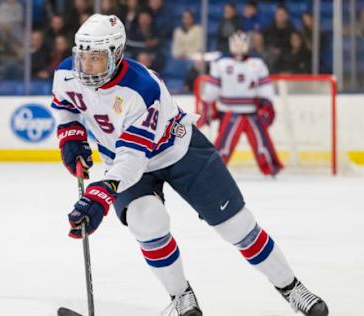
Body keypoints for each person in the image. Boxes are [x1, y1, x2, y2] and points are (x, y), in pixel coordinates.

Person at [50, 14, 329, 316]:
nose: (86, 67)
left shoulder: (143, 89)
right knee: (147, 221)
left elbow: (133, 157)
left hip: (179, 151)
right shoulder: (66, 74)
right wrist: (72, 137)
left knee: (237, 226)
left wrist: (102, 193)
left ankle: (291, 287)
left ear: (116, 55)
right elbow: (66, 108)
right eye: (83, 57)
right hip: (128, 163)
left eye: (96, 59)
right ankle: (181, 296)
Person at [202, 31, 284, 176]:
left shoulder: (257, 64)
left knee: (262, 143)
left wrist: (266, 102)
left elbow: (265, 87)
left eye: (241, 44)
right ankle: (213, 170)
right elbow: (212, 89)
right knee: (223, 145)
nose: (238, 48)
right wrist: (208, 104)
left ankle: (271, 168)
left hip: (252, 111)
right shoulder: (221, 64)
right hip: (229, 111)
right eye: (235, 44)